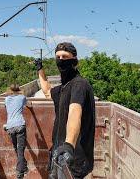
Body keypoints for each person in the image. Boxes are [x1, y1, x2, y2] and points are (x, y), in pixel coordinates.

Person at [34, 42, 96, 179]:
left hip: (74, 157)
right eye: (58, 57)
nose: (61, 60)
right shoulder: (62, 88)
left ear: (75, 61)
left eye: (65, 56)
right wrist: (40, 69)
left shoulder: (79, 84)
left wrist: (68, 145)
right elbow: (47, 91)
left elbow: (75, 112)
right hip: (59, 153)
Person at [4, 84, 29, 179]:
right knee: (20, 150)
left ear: (10, 90)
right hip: (20, 125)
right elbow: (28, 104)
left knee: (16, 149)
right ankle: (20, 173)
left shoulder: (6, 99)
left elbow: (7, 109)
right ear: (19, 90)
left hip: (10, 127)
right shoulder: (22, 97)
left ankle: (24, 167)